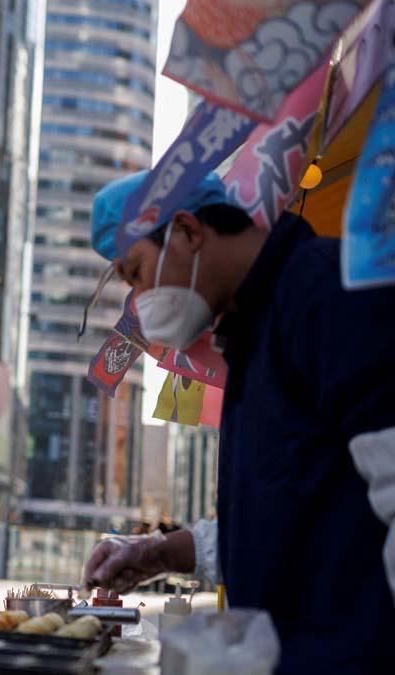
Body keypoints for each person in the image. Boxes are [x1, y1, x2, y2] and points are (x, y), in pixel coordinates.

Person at [81, 171, 395, 673]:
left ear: (186, 229)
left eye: (136, 272)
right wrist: (159, 553)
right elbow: (287, 515)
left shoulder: (329, 294)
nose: (139, 300)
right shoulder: (251, 334)